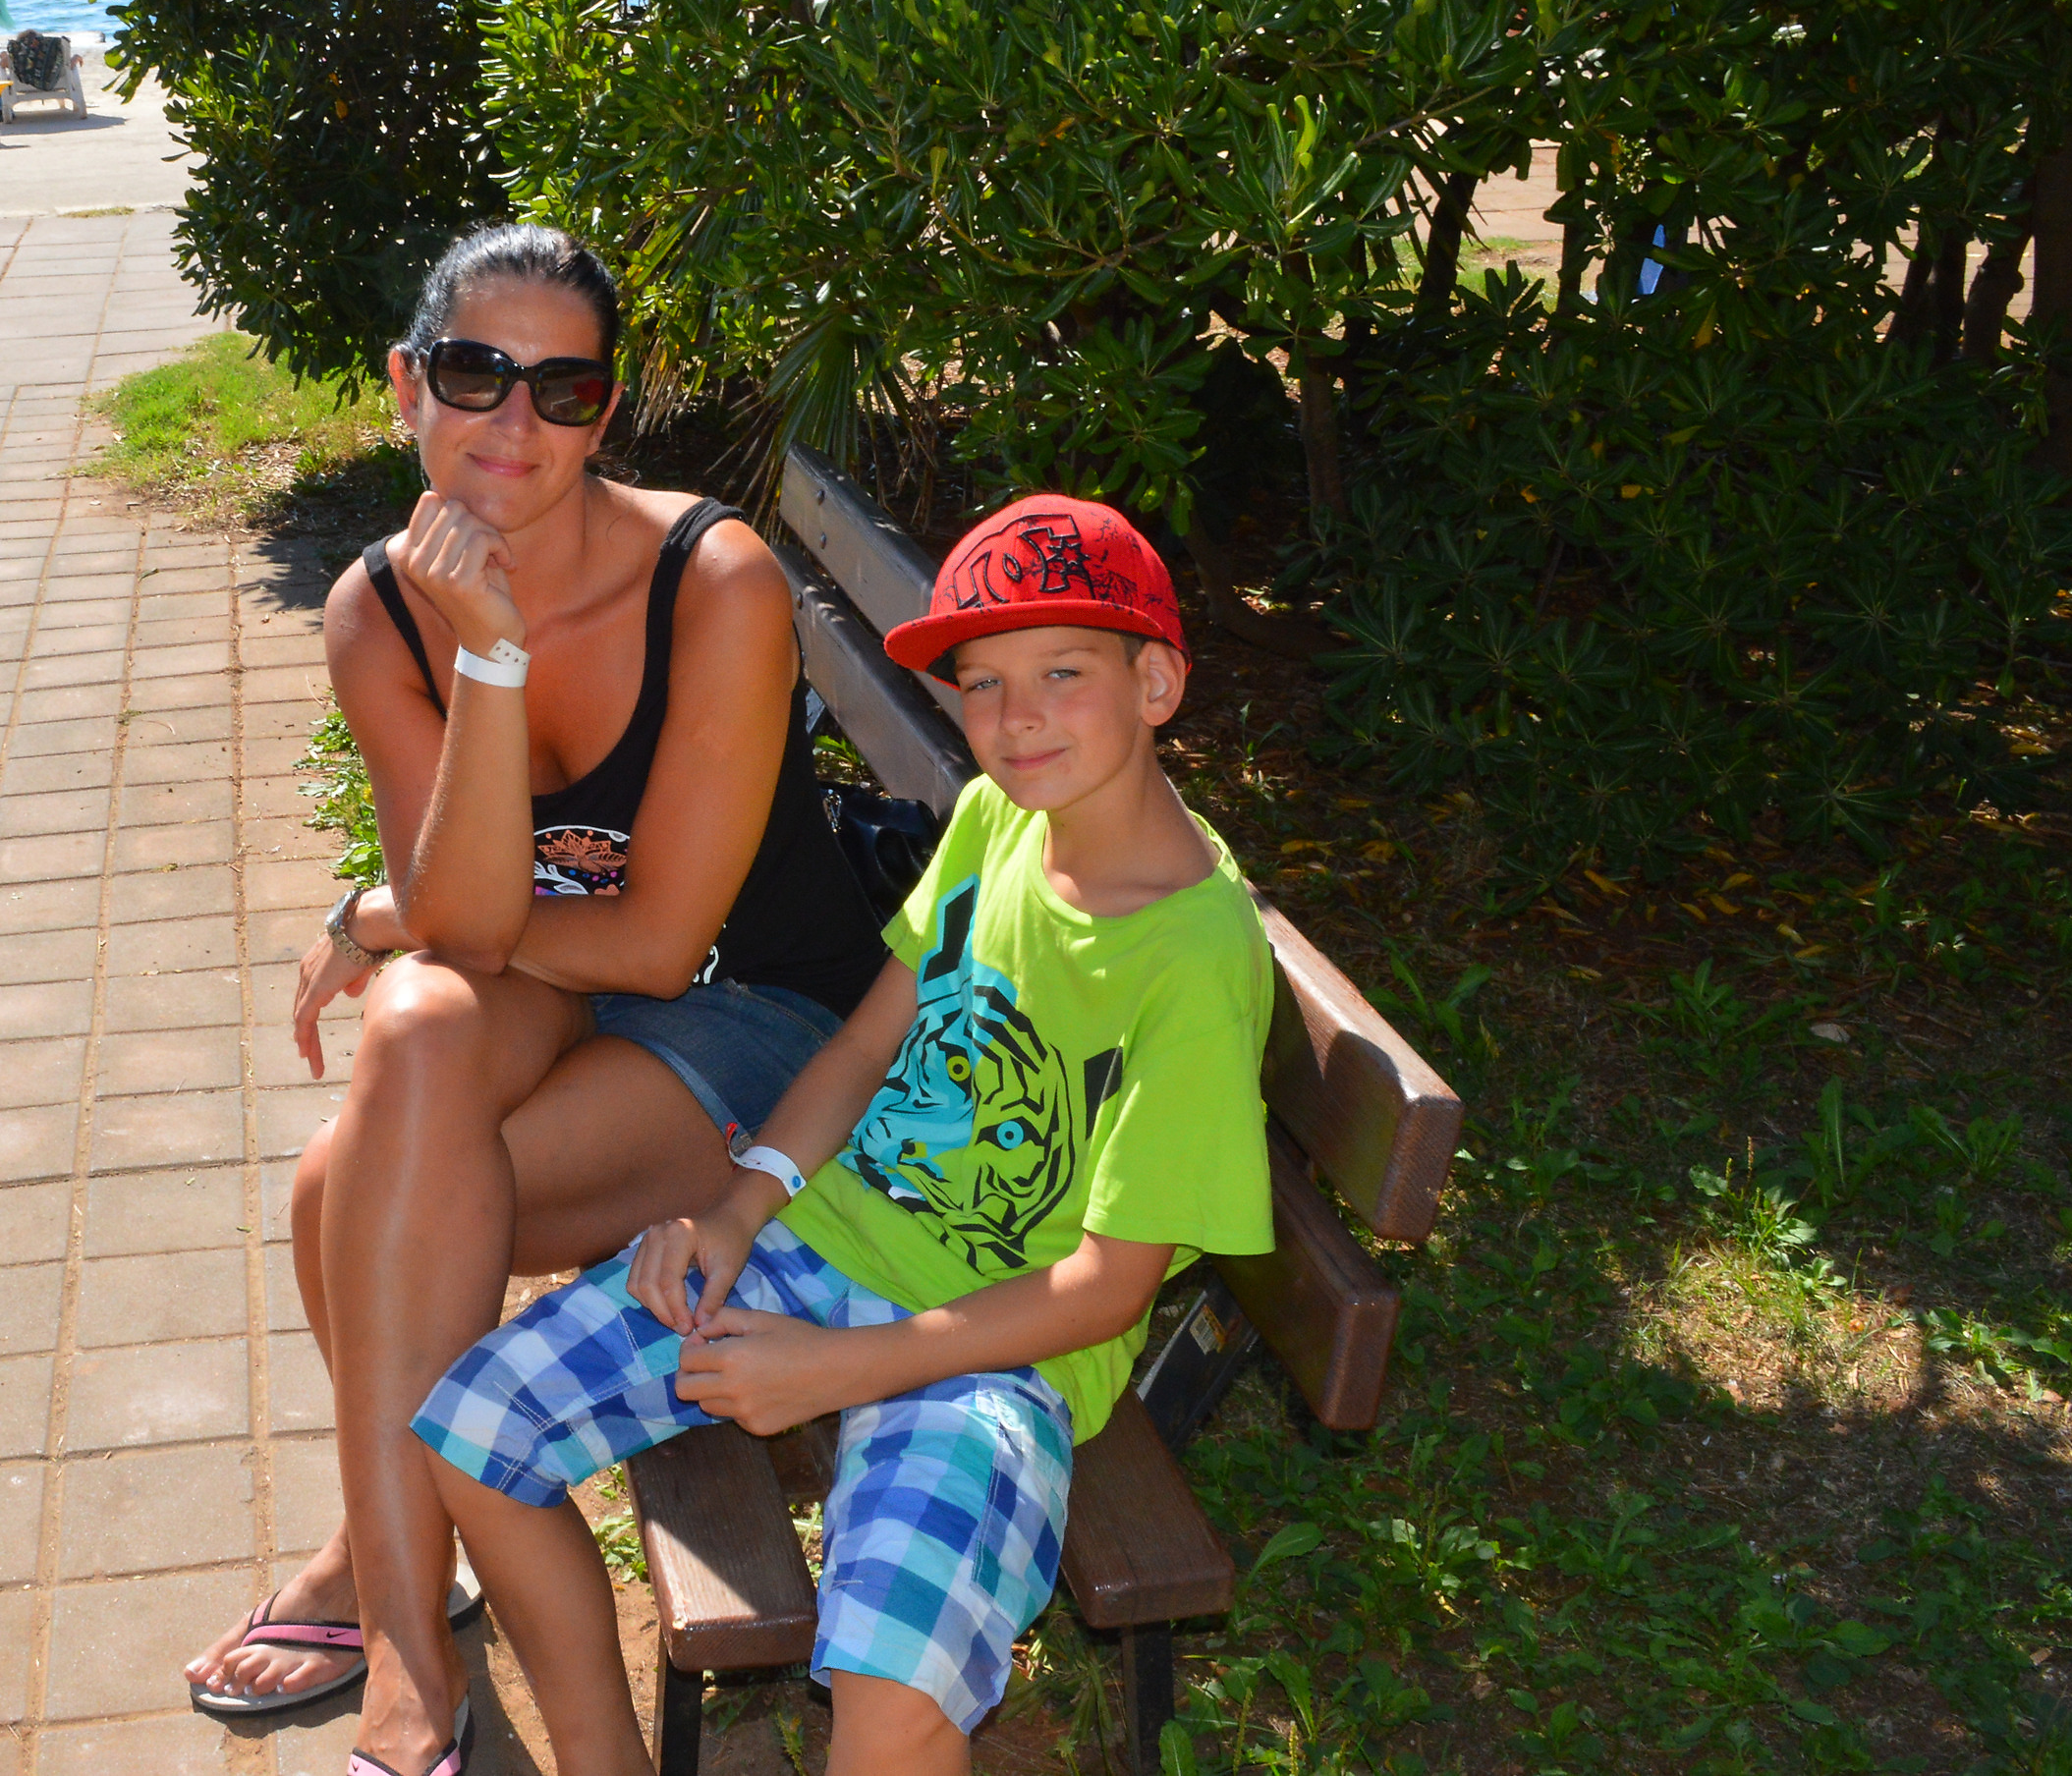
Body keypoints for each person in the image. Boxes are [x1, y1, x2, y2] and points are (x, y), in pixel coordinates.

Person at [413, 495, 1277, 1776]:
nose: (1016, 717)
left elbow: (1107, 1290)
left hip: (999, 1353)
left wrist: (836, 1371)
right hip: (815, 1248)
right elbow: (868, 1045)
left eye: (1062, 673)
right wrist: (735, 1211)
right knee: (476, 1432)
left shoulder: (1193, 957)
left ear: (1155, 683)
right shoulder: (997, 821)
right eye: (982, 684)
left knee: (892, 1685)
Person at [181, 224, 889, 1767]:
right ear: (404, 387)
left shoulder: (710, 582)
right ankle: (403, 1625)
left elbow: (652, 946)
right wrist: (478, 688)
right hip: (563, 1001)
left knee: (346, 1191)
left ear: (603, 412)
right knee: (417, 1022)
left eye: (561, 390)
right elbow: (461, 926)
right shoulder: (379, 611)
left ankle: (385, 1601)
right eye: (472, 373)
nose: (513, 421)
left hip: (761, 1020)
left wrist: (404, 911)